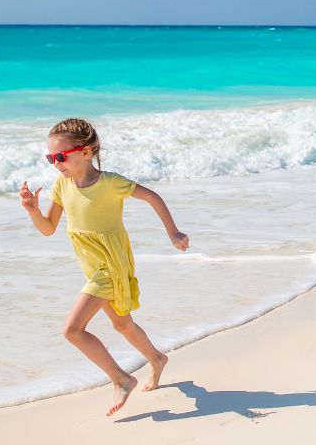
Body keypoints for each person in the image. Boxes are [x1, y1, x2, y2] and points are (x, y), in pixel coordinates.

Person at [19, 117, 190, 417]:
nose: (55, 163)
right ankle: (157, 359)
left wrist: (173, 232)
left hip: (110, 267)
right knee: (122, 324)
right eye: (51, 158)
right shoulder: (62, 184)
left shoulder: (110, 183)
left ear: (85, 153)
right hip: (92, 267)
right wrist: (33, 211)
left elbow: (152, 196)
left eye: (60, 156)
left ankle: (122, 379)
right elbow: (48, 228)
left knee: (72, 330)